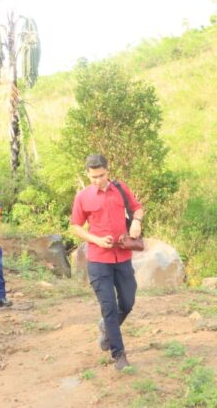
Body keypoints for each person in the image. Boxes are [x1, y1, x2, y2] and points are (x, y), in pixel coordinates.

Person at [70, 154, 144, 371]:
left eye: (101, 175)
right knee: (109, 307)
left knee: (128, 302)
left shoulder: (121, 189)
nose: (97, 180)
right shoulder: (83, 197)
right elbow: (75, 226)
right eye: (93, 177)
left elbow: (137, 208)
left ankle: (107, 329)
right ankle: (118, 354)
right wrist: (97, 240)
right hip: (98, 259)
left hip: (122, 257)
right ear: (87, 174)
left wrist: (136, 222)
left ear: (108, 171)